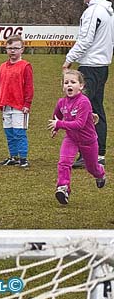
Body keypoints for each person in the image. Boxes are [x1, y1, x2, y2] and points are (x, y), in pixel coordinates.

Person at [63, 0, 114, 168]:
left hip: (90, 66)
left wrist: (69, 59)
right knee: (96, 108)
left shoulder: (93, 12)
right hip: (102, 67)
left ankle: (88, 152)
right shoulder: (109, 11)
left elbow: (85, 40)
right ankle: (99, 152)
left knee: (83, 108)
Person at [49, 70, 107, 205]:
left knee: (91, 167)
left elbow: (79, 124)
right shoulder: (61, 102)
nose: (69, 85)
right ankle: (63, 188)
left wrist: (59, 124)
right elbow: (57, 116)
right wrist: (55, 127)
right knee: (64, 162)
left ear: (81, 86)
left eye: (73, 82)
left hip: (88, 141)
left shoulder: (84, 102)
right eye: (66, 82)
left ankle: (100, 173)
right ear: (62, 86)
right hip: (71, 139)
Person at [0, 34, 34, 168]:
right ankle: (13, 156)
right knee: (9, 132)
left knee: (19, 132)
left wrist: (27, 103)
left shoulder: (25, 66)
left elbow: (29, 86)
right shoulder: (3, 66)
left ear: (22, 49)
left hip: (19, 106)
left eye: (16, 48)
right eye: (10, 48)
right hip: (5, 104)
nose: (12, 51)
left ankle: (23, 158)